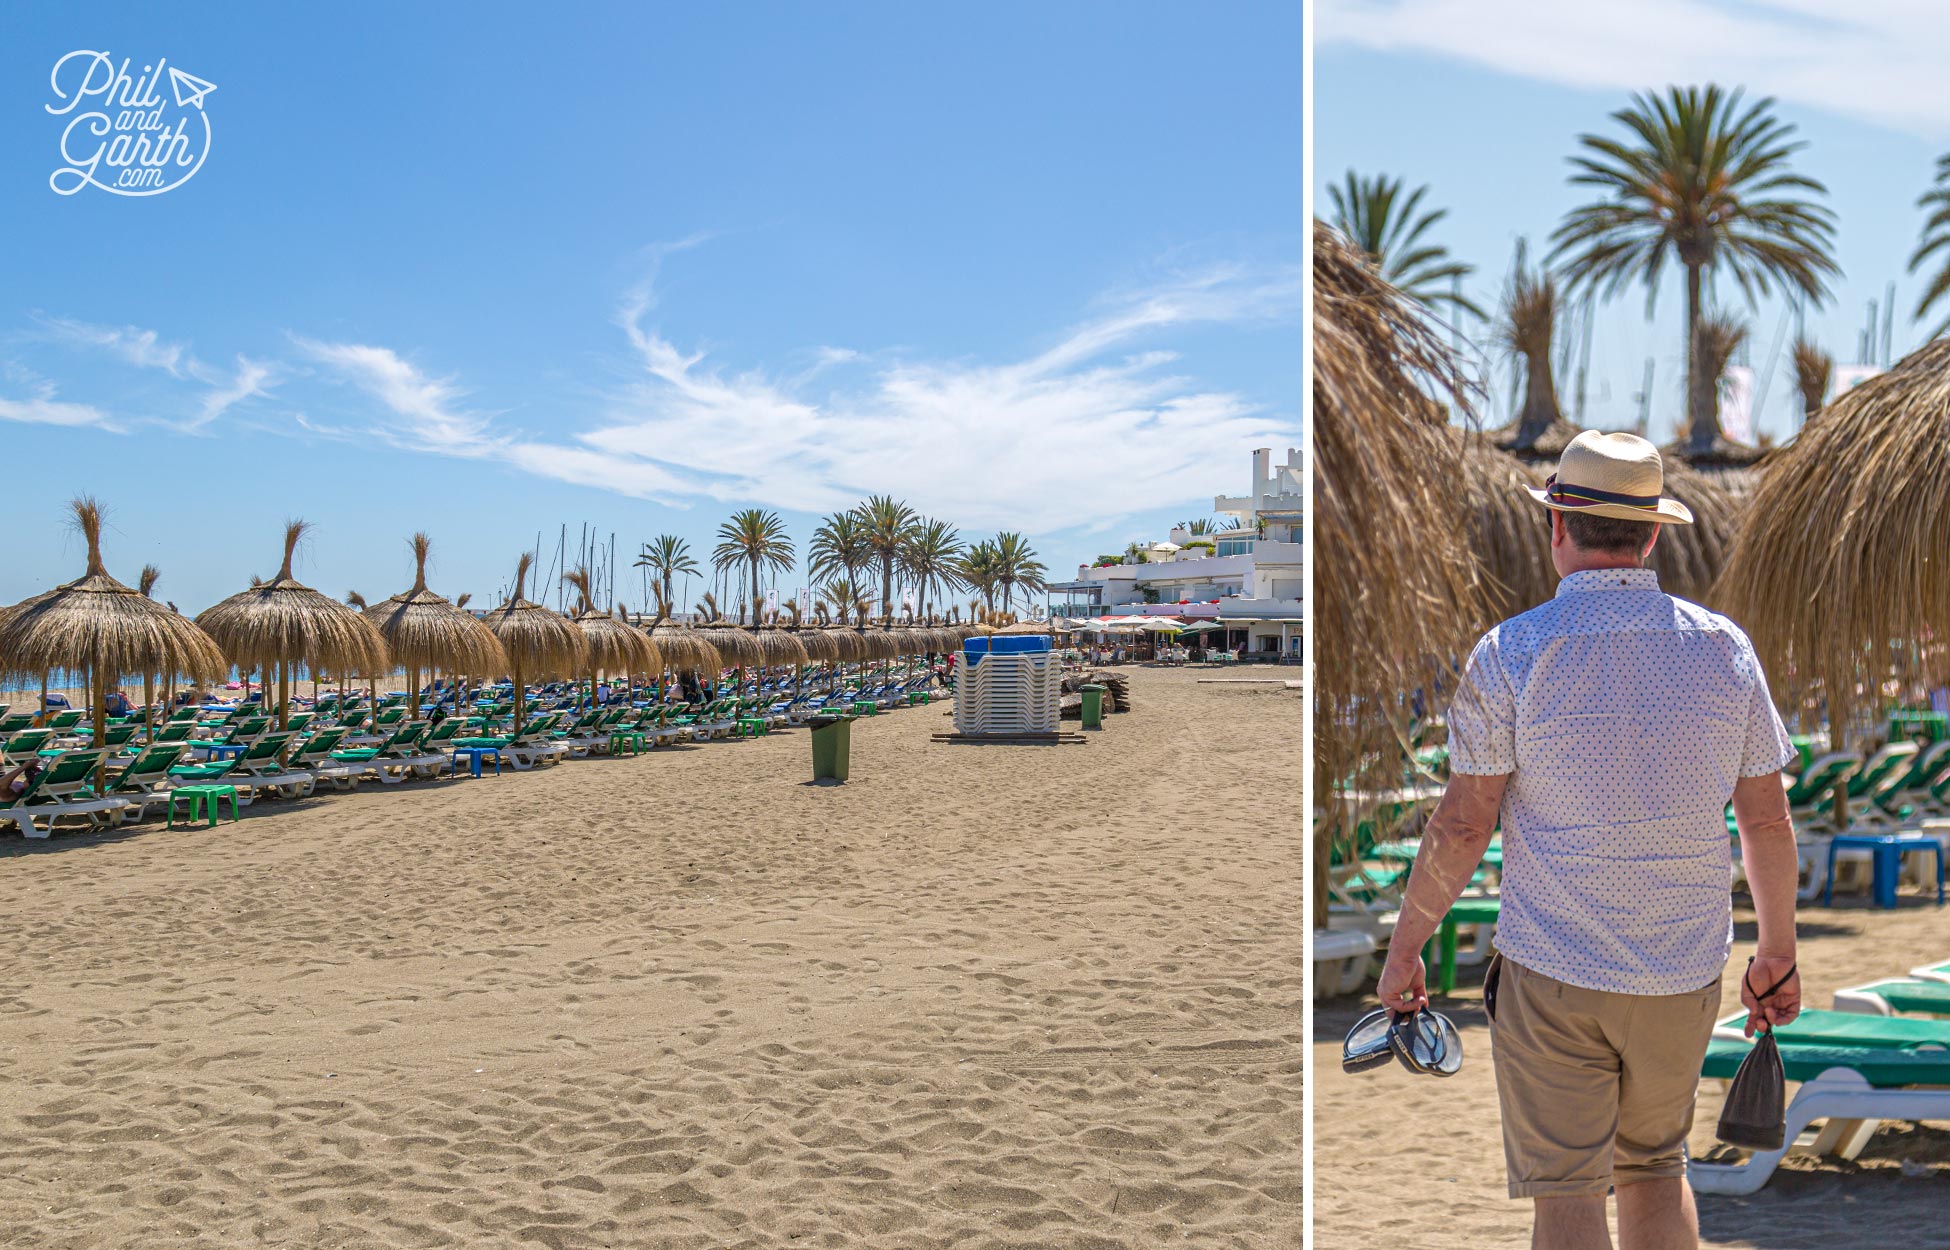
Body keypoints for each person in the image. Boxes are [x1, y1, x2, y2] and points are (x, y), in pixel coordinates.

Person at [1376, 431, 1803, 1250]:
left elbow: (1464, 823)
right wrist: (1775, 953)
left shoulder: (1513, 651)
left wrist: (1405, 950)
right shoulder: (1724, 649)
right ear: (1650, 535)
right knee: (1656, 1167)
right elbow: (1766, 820)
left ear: (1556, 528)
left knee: (1568, 1193)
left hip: (1554, 969)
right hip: (1681, 971)